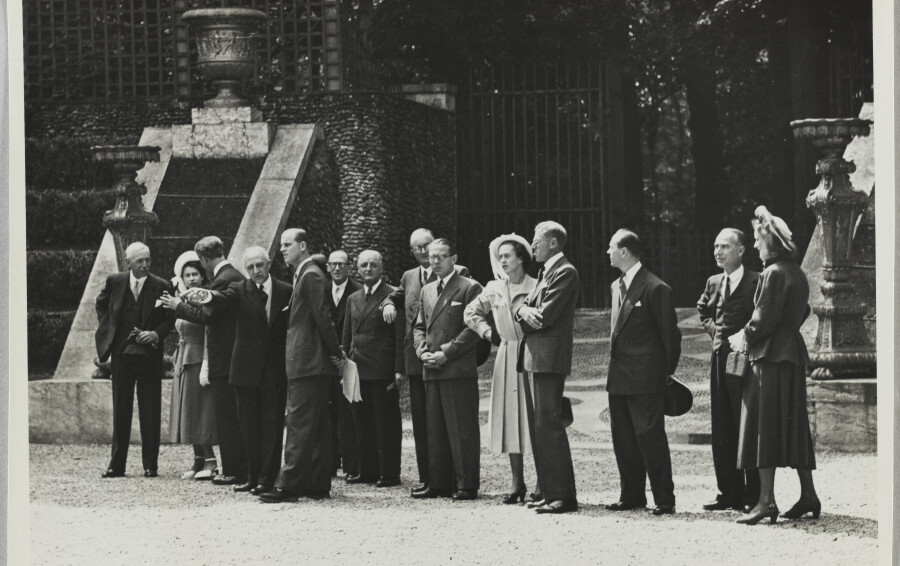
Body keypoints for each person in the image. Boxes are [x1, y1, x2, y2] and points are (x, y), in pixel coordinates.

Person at [164, 247, 291, 496]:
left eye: (260, 265)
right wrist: (202, 295)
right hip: (244, 369)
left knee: (272, 426)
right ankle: (252, 477)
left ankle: (267, 479)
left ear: (268, 265)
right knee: (248, 425)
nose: (256, 271)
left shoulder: (285, 290)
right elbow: (220, 300)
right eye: (251, 267)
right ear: (246, 268)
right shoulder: (238, 289)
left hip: (274, 370)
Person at [729, 206, 820, 525]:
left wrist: (744, 335)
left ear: (770, 241)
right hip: (791, 354)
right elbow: (804, 309)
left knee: (761, 424)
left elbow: (762, 319)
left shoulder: (773, 273)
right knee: (794, 428)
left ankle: (766, 501)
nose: (755, 245)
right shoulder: (795, 271)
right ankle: (808, 495)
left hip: (769, 358)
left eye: (757, 239)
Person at [380, 228, 469, 495]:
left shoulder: (459, 273)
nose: (423, 252)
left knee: (445, 420)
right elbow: (395, 297)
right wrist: (387, 303)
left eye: (426, 247)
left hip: (444, 358)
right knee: (422, 422)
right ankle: (428, 478)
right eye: (417, 248)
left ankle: (452, 478)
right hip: (416, 359)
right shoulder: (408, 277)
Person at [259, 228, 344, 502]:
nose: (282, 249)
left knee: (298, 424)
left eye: (287, 244)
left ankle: (289, 486)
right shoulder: (308, 275)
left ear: (303, 246)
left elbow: (323, 317)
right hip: (310, 362)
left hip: (308, 361)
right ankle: (317, 483)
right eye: (281, 245)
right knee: (316, 425)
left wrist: (336, 351)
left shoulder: (310, 275)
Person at [605, 229, 681, 516]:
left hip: (647, 378)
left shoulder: (655, 287)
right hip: (619, 376)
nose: (607, 251)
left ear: (625, 251)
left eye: (611, 247)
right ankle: (632, 494)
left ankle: (664, 498)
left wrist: (664, 374)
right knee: (623, 439)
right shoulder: (616, 286)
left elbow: (670, 337)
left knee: (650, 438)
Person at [464, 234, 537, 504]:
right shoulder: (494, 287)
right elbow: (470, 312)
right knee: (510, 418)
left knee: (534, 417)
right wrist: (487, 333)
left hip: (531, 354)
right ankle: (517, 483)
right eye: (500, 256)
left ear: (521, 258)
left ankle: (543, 482)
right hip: (507, 354)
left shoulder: (537, 286)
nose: (502, 260)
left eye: (507, 255)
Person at [172, 236, 247, 486]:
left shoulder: (223, 279)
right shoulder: (231, 275)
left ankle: (233, 469)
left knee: (227, 419)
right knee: (229, 418)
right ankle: (234, 468)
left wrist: (178, 305)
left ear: (203, 259)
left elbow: (207, 316)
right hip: (229, 357)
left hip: (223, 359)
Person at [95, 242, 174, 478]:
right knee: (121, 407)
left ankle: (151, 465)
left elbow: (170, 318)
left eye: (148, 259)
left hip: (149, 354)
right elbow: (101, 303)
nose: (145, 265)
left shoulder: (161, 285)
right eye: (140, 261)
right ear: (128, 262)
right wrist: (111, 328)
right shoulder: (115, 281)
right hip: (121, 354)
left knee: (150, 407)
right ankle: (116, 465)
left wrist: (156, 334)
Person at [412, 238, 483, 501]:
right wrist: (422, 351)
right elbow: (419, 326)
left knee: (461, 427)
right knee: (435, 427)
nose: (435, 261)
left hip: (456, 367)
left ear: (454, 258)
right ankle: (439, 482)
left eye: (441, 256)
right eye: (431, 257)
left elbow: (474, 327)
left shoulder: (470, 287)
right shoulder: (427, 290)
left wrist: (447, 352)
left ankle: (467, 484)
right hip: (431, 366)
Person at [516, 221, 579, 514]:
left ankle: (563, 496)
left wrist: (525, 311)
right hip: (537, 357)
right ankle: (550, 491)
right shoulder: (546, 272)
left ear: (553, 242)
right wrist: (524, 310)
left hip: (548, 358)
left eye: (536, 239)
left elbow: (543, 316)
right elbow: (523, 309)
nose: (533, 244)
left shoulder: (564, 272)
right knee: (541, 427)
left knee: (549, 426)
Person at [697, 229, 760, 512]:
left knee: (746, 424)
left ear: (741, 250)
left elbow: (766, 315)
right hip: (719, 361)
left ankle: (754, 494)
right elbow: (703, 311)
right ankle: (728, 493)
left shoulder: (756, 281)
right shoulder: (713, 282)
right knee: (722, 426)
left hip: (746, 362)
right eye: (715, 246)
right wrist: (716, 333)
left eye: (725, 246)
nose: (718, 252)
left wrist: (748, 339)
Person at [342, 250, 405, 487]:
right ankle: (367, 470)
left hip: (382, 369)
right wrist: (345, 363)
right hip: (357, 369)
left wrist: (399, 369)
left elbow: (399, 336)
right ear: (357, 268)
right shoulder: (353, 298)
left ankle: (389, 473)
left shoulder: (392, 295)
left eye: (373, 265)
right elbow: (348, 335)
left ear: (381, 268)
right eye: (363, 265)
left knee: (385, 422)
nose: (368, 269)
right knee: (362, 421)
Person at [166, 251, 217, 480]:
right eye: (187, 275)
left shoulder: (203, 298)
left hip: (197, 357)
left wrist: (207, 361)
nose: (192, 278)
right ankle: (197, 459)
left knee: (199, 410)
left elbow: (208, 329)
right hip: (183, 358)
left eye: (195, 274)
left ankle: (210, 460)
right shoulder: (183, 298)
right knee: (187, 411)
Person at [326, 250, 361, 479]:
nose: (337, 268)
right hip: (326, 360)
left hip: (349, 361)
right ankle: (329, 464)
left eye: (342, 264)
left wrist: (344, 356)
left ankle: (351, 465)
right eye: (333, 264)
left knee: (348, 414)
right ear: (328, 267)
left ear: (349, 267)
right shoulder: (320, 290)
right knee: (327, 412)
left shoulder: (358, 291)